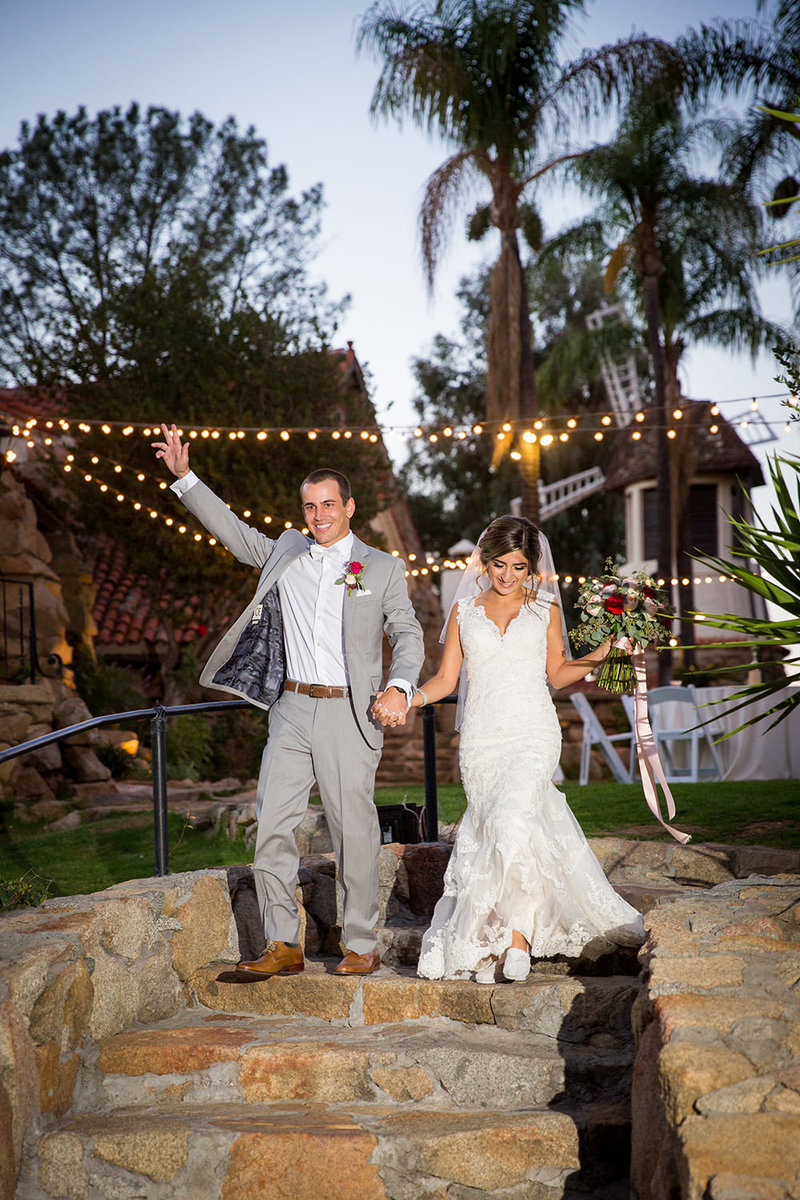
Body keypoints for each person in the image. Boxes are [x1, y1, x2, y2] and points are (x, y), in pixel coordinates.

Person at [152, 424, 424, 977]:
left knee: (354, 828)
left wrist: (399, 686)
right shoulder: (286, 551)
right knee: (272, 821)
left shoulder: (381, 568)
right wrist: (185, 479)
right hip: (291, 709)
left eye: (328, 505)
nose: (319, 516)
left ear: (349, 507)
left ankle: (361, 942)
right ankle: (283, 944)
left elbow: (409, 633)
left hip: (350, 713)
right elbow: (233, 532)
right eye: (309, 507)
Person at [411, 515, 644, 984]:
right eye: (499, 565)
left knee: (511, 819)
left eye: (518, 567)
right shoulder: (464, 612)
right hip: (481, 740)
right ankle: (491, 936)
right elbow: (445, 680)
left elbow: (557, 674)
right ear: (485, 561)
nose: (507, 576)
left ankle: (517, 939)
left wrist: (602, 652)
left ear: (532, 567)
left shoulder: (546, 609)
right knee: (495, 831)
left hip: (533, 733)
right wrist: (409, 697)